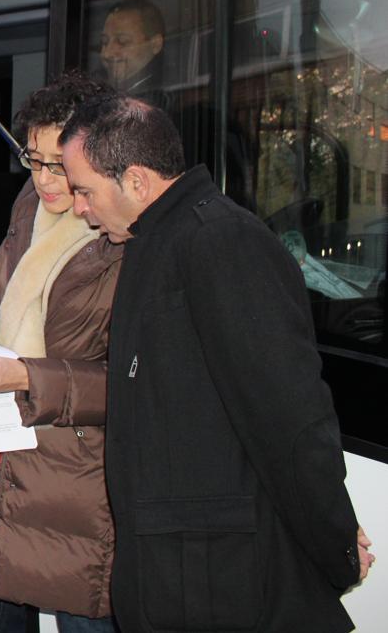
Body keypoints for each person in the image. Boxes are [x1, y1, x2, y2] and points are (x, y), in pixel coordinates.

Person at [59, 94, 375, 632]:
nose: (79, 208)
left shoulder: (222, 242)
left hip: (220, 585)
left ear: (135, 180)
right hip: (181, 576)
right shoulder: (153, 240)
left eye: (84, 191)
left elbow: (290, 421)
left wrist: (335, 539)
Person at [0, 72, 120, 632]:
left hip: (76, 473)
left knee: (81, 620)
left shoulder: (121, 231)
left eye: (58, 164)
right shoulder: (28, 204)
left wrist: (26, 379)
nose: (43, 179)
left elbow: (135, 381)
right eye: (32, 160)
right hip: (2, 450)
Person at [100, 0, 169, 108]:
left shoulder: (162, 100)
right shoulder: (96, 86)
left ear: (155, 44)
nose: (107, 53)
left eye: (122, 42)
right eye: (104, 42)